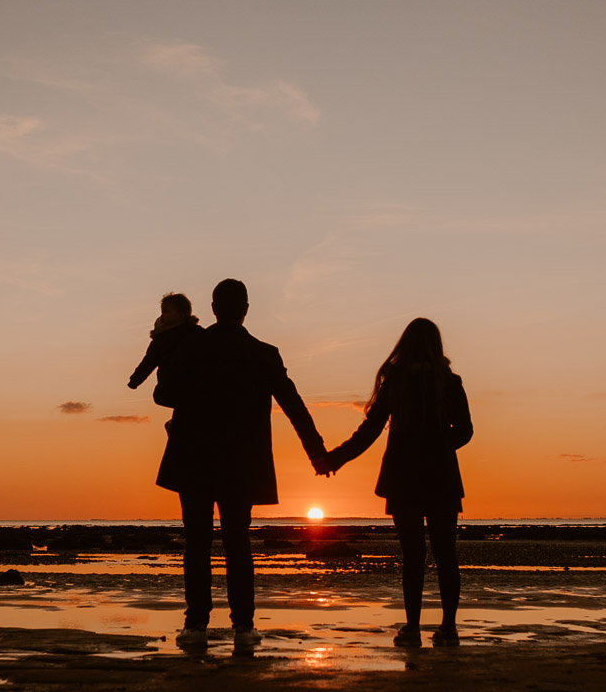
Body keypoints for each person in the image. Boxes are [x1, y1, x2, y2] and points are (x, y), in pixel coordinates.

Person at [156, 279, 327, 651]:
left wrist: (164, 355)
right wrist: (316, 451)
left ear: (214, 309)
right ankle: (244, 627)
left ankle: (196, 624)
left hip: (194, 458)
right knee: (238, 541)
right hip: (241, 462)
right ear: (245, 309)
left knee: (197, 541)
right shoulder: (263, 353)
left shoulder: (190, 346)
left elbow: (162, 394)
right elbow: (293, 404)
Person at [322, 318, 472, 647]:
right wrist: (440, 446)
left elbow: (370, 431)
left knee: (413, 555)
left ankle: (413, 628)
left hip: (403, 477)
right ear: (437, 344)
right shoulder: (449, 381)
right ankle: (449, 628)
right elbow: (465, 432)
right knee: (446, 554)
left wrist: (334, 459)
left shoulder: (395, 382)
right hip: (442, 476)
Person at [127, 292, 203, 408]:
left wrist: (134, 381)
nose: (162, 316)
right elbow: (148, 362)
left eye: (166, 312)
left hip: (173, 386)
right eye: (162, 312)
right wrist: (135, 380)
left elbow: (148, 362)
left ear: (181, 315)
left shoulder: (162, 339)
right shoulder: (197, 333)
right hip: (191, 388)